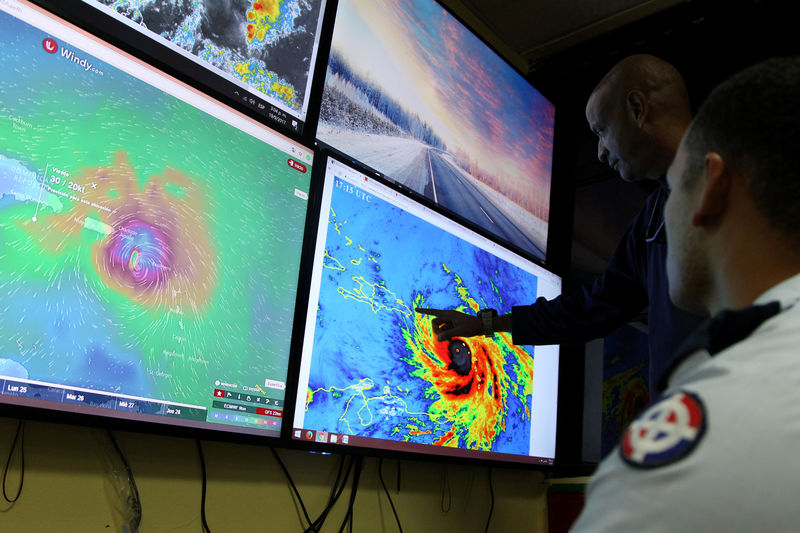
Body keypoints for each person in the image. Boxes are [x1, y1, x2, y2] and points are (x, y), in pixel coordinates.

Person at [571, 56, 800, 531]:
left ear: (711, 187)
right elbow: (592, 307)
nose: (662, 210)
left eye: (673, 189)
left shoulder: (692, 448)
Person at [418, 54, 703, 392]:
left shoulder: (750, 178)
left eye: (601, 131)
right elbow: (588, 311)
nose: (599, 151)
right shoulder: (652, 220)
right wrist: (484, 325)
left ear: (637, 110)